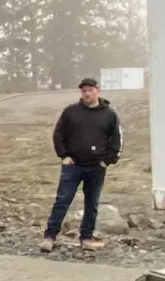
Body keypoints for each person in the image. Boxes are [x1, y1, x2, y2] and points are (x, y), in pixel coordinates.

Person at [42, 76, 121, 251]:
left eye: (90, 90)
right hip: (73, 165)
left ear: (97, 91)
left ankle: (86, 238)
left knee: (91, 203)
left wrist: (107, 160)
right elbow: (58, 134)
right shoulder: (71, 111)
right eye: (84, 91)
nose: (87, 94)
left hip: (96, 167)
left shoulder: (109, 114)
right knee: (62, 200)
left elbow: (116, 139)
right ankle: (49, 236)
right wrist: (64, 156)